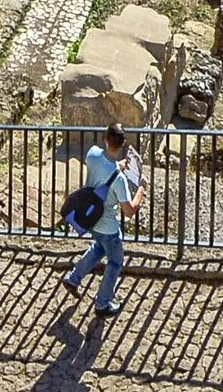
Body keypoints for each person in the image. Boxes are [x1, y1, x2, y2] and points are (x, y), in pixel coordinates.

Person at [60, 124, 143, 316]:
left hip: (92, 220)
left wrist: (117, 165)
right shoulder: (119, 180)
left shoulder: (93, 154)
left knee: (98, 249)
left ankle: (73, 278)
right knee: (115, 263)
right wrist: (141, 190)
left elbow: (104, 167)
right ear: (122, 144)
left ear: (106, 139)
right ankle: (102, 303)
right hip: (108, 227)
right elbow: (129, 211)